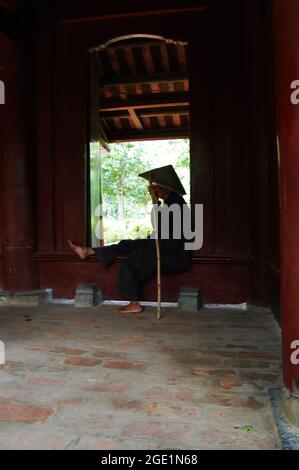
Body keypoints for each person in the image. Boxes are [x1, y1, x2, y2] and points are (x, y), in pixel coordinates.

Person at [68, 165, 192, 314]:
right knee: (127, 244)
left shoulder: (176, 204)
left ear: (165, 188)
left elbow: (163, 232)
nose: (152, 189)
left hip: (172, 255)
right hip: (164, 246)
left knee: (130, 261)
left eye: (155, 187)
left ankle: (134, 303)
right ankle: (89, 251)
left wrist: (154, 202)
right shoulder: (171, 202)